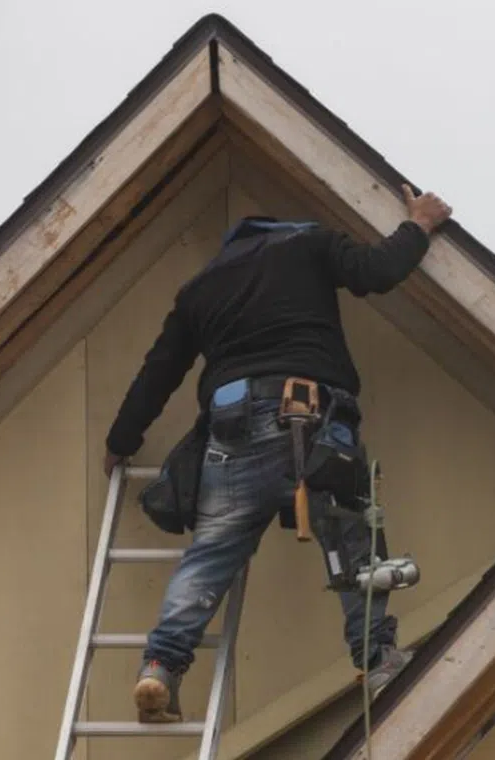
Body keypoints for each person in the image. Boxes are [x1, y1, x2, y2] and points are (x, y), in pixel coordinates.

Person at [102, 183, 453, 724]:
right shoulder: (309, 244)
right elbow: (375, 272)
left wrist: (120, 441)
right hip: (313, 421)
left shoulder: (200, 289)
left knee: (210, 555)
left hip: (231, 430)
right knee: (351, 543)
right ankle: (378, 660)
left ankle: (160, 667)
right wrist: (419, 224)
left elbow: (159, 373)